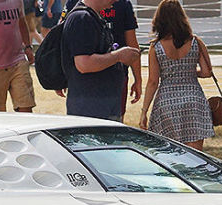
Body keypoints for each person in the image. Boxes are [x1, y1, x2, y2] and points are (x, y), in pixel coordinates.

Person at [139, 0, 213, 149]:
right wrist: (188, 72)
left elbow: (153, 81)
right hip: (193, 99)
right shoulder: (195, 42)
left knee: (169, 153)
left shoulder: (156, 46)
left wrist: (144, 111)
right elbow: (206, 72)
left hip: (167, 102)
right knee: (195, 156)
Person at [60, 0, 139, 121]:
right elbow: (83, 64)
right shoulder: (81, 18)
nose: (116, 1)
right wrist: (118, 56)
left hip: (105, 105)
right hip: (90, 109)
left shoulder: (92, 16)